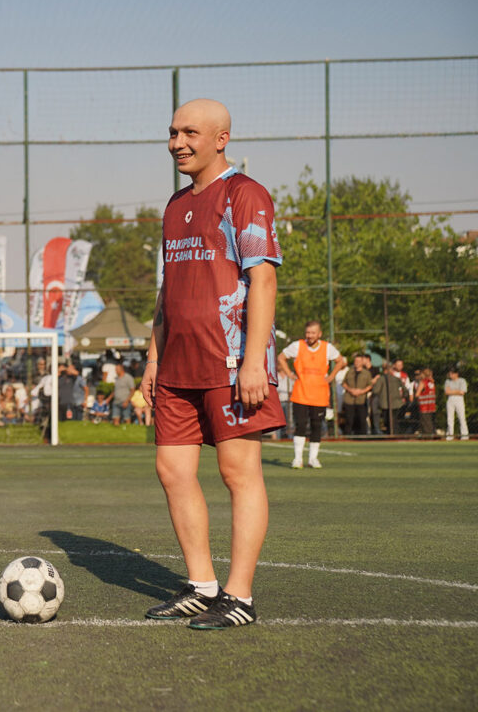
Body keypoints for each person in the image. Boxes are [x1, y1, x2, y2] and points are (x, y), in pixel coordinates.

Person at [141, 99, 285, 630]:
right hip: (177, 365)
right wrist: (153, 356)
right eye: (173, 131)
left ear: (221, 138)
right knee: (172, 470)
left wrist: (254, 362)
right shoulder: (175, 205)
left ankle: (239, 597)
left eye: (190, 132)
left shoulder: (244, 194)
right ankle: (201, 585)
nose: (178, 141)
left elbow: (263, 279)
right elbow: (167, 289)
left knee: (237, 473)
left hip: (231, 362)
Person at [278, 321, 346, 469]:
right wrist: (289, 373)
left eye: (313, 333)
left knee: (316, 426)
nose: (309, 335)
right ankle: (297, 459)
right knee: (300, 425)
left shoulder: (327, 348)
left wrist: (332, 376)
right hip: (300, 393)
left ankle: (313, 458)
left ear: (319, 334)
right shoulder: (297, 345)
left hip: (319, 394)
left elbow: (341, 361)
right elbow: (281, 357)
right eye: (308, 332)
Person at [341, 354, 373, 436]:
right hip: (349, 400)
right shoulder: (349, 372)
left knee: (362, 419)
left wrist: (361, 391)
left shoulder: (367, 373)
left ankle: (362, 437)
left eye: (359, 361)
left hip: (361, 400)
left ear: (362, 362)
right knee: (349, 419)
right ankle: (347, 436)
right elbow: (344, 383)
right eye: (355, 361)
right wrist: (350, 390)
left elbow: (370, 385)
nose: (357, 363)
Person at [371, 361, 406, 435]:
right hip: (396, 402)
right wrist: (403, 397)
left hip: (385, 403)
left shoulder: (381, 379)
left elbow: (375, 391)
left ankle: (390, 433)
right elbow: (405, 390)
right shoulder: (396, 379)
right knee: (394, 419)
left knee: (387, 420)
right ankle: (395, 433)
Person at [444, 367, 469, 440]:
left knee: (461, 417)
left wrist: (452, 391)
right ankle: (450, 435)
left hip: (459, 400)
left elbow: (462, 392)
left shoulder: (462, 381)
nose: (450, 375)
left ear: (456, 374)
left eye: (452, 373)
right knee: (450, 418)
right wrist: (456, 391)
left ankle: (464, 435)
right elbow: (446, 392)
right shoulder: (447, 381)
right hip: (450, 399)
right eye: (450, 373)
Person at [414, 368, 436, 438]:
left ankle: (427, 435)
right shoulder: (432, 382)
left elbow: (417, 394)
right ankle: (431, 434)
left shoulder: (423, 382)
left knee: (425, 422)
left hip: (424, 406)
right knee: (430, 421)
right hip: (431, 405)